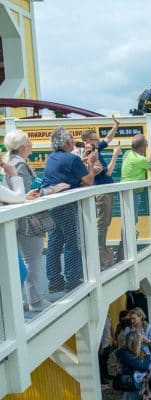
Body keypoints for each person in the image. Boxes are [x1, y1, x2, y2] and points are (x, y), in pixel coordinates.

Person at [3, 130, 67, 309]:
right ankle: (35, 300)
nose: (31, 145)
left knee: (22, 263)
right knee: (32, 261)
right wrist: (53, 190)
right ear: (23, 146)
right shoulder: (20, 166)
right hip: (28, 221)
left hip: (16, 220)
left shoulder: (11, 163)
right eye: (29, 142)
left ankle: (22, 300)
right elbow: (26, 195)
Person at [42, 126, 98, 293]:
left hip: (52, 204)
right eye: (72, 138)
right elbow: (88, 181)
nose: (74, 141)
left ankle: (54, 281)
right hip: (66, 204)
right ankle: (72, 279)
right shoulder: (71, 159)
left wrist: (84, 161)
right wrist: (91, 164)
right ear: (66, 142)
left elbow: (66, 172)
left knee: (54, 243)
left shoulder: (52, 157)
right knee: (72, 242)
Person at [81, 115, 121, 268]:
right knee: (102, 222)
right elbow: (108, 172)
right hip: (101, 192)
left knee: (106, 221)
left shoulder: (96, 149)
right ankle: (100, 248)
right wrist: (115, 155)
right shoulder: (90, 155)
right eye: (94, 139)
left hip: (107, 190)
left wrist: (115, 125)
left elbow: (108, 138)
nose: (98, 141)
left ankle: (101, 247)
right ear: (88, 141)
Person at [120, 133, 151, 222]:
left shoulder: (128, 153)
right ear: (142, 146)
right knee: (132, 220)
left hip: (125, 190)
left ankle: (130, 234)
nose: (147, 146)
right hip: (132, 192)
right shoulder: (139, 159)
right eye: (146, 144)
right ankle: (131, 235)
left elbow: (146, 164)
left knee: (128, 219)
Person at [116, 331, 151, 400]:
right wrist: (148, 355)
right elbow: (143, 367)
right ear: (135, 343)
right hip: (132, 382)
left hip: (128, 381)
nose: (141, 339)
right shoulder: (128, 355)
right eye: (140, 339)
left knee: (127, 396)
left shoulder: (125, 350)